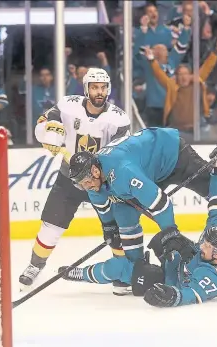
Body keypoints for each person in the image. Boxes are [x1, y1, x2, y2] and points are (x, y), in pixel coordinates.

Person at [67, 127, 217, 267]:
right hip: (148, 167)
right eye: (82, 184)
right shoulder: (89, 178)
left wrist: (170, 233)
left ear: (96, 171)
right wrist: (108, 227)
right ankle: (134, 266)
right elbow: (105, 210)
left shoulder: (122, 172)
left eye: (87, 182)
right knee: (123, 214)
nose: (87, 187)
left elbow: (161, 203)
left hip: (172, 154)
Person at [59, 145, 217, 308]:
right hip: (179, 259)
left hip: (169, 279)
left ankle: (81, 273)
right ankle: (81, 272)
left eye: (208, 247)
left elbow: (193, 293)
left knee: (119, 268)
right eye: (206, 242)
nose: (202, 244)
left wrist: (173, 296)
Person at [18, 68, 131, 295]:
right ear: (86, 88)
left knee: (117, 227)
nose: (99, 92)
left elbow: (121, 153)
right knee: (51, 224)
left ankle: (123, 272)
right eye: (95, 87)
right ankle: (35, 266)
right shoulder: (68, 106)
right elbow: (45, 123)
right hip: (69, 176)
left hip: (102, 181)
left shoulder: (118, 118)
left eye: (103, 87)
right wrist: (51, 135)